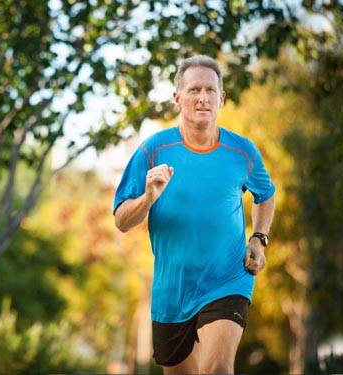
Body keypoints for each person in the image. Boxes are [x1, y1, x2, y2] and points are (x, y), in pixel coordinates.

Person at [113, 55, 276, 374]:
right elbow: (121, 220)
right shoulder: (153, 150)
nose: (203, 97)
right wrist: (148, 198)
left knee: (217, 369)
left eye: (210, 90)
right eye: (194, 90)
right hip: (172, 291)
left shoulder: (242, 151)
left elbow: (266, 194)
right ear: (178, 98)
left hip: (228, 279)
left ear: (222, 98)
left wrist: (259, 237)